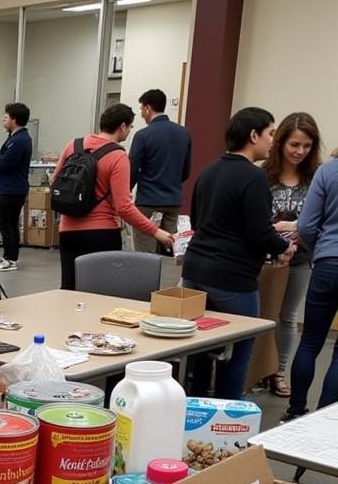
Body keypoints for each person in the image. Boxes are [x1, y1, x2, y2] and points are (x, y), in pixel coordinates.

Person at [182, 107, 293, 399]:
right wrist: (284, 246)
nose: (273, 141)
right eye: (270, 133)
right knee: (239, 351)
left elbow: (196, 222)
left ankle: (196, 411)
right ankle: (226, 421)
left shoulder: (208, 171)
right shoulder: (253, 179)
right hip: (232, 279)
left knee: (200, 350)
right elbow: (260, 233)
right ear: (253, 135)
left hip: (194, 273)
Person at [54, 103, 173, 291]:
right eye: (131, 126)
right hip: (102, 233)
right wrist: (155, 231)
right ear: (123, 126)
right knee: (102, 293)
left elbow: (55, 181)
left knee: (69, 290)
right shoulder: (118, 156)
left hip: (68, 231)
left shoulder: (73, 145)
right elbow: (124, 207)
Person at [262, 112, 322, 397]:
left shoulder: (315, 177)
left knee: (287, 316)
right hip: (264, 257)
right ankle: (259, 369)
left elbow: (322, 217)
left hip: (300, 259)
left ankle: (279, 371)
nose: (300, 151)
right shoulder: (264, 175)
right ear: (281, 143)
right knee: (262, 315)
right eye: (294, 145)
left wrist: (296, 229)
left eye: (307, 146)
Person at [286, 150, 338, 421]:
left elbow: (305, 225)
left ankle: (295, 411)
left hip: (327, 263)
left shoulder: (327, 171)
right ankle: (324, 420)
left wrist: (321, 251)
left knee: (309, 342)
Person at [128, 88, 192, 254]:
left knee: (146, 252)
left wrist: (125, 191)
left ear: (148, 108)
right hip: (173, 202)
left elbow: (132, 170)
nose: (142, 113)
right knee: (170, 248)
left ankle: (148, 280)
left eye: (142, 109)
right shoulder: (184, 133)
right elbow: (186, 171)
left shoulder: (142, 135)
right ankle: (166, 280)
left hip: (147, 202)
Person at [0, 102, 32, 272]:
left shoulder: (20, 140)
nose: (3, 119)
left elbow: (7, 162)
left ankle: (9, 259)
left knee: (7, 225)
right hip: (10, 188)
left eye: (6, 116)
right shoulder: (14, 138)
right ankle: (10, 257)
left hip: (11, 190)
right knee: (10, 224)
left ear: (14, 119)